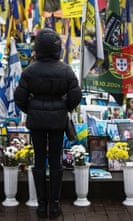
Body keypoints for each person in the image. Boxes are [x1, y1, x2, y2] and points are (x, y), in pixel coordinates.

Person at [14, 28, 82, 219]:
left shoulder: (30, 71)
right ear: (57, 48)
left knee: (38, 161)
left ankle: (41, 205)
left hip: (36, 122)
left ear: (38, 48)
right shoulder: (66, 70)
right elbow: (76, 95)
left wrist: (33, 109)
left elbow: (19, 97)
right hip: (58, 122)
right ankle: (54, 205)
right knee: (55, 161)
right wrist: (63, 107)